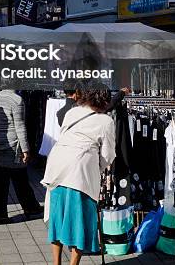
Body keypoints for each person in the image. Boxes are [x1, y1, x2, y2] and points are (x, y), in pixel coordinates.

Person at [42, 89, 116, 265]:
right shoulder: (106, 121)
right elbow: (107, 155)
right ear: (105, 102)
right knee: (79, 223)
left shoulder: (73, 111)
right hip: (80, 173)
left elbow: (64, 135)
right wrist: (97, 168)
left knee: (57, 219)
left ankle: (56, 263)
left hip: (57, 166)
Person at [0, 89, 43, 224]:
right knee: (20, 178)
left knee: (0, 181)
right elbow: (20, 126)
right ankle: (31, 208)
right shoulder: (16, 100)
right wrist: (26, 149)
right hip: (12, 145)